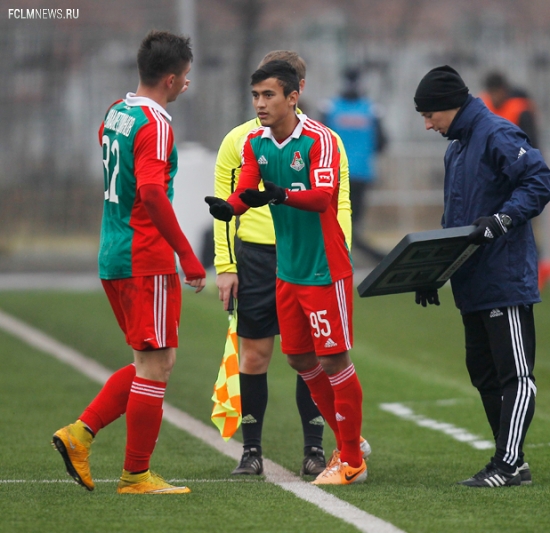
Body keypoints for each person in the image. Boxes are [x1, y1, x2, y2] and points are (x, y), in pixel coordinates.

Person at [52, 30, 206, 495]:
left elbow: (111, 151)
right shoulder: (156, 124)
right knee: (156, 365)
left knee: (151, 361)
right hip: (146, 257)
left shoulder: (116, 113)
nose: (187, 84)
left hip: (114, 252)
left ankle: (79, 435)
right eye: (185, 77)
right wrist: (186, 254)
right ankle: (136, 475)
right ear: (171, 78)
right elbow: (153, 192)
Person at [206, 60, 367, 485]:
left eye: (269, 95)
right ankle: (347, 436)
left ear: (293, 96)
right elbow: (250, 186)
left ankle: (350, 460)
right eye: (256, 95)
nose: (260, 104)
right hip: (287, 270)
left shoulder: (321, 139)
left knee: (334, 358)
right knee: (299, 358)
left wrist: (281, 195)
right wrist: (232, 208)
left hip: (323, 268)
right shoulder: (255, 142)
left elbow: (322, 198)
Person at [414, 65, 550, 487]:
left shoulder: (496, 133)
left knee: (516, 375)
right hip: (471, 282)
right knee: (484, 373)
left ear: (447, 107)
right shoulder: (456, 147)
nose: (426, 123)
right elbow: (455, 220)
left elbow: (539, 179)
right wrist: (432, 271)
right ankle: (514, 461)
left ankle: (508, 464)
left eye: (429, 114)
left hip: (503, 278)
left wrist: (502, 220)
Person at [322, 67, 387, 263]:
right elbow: (382, 142)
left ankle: (341, 257)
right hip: (360, 174)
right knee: (352, 221)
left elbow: (319, 141)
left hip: (335, 175)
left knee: (337, 220)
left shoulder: (330, 108)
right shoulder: (371, 109)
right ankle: (363, 255)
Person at [480, 71, 539, 149]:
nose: (495, 97)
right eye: (491, 92)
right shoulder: (483, 105)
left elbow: (530, 139)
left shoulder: (519, 107)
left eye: (497, 91)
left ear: (504, 90)